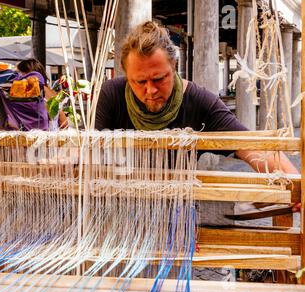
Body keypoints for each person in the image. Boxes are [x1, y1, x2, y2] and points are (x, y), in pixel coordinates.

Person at [95, 21, 300, 212]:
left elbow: (251, 147)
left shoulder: (201, 103)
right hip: (120, 212)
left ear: (174, 65)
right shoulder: (111, 95)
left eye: (158, 79)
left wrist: (296, 185)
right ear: (126, 75)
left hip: (176, 218)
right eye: (139, 82)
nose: (150, 91)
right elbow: (90, 156)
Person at [16, 58, 69, 130]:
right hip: (51, 136)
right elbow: (64, 123)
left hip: (35, 137)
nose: (18, 78)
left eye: (20, 73)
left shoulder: (31, 93)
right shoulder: (51, 93)